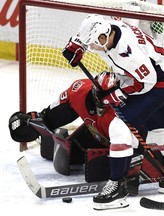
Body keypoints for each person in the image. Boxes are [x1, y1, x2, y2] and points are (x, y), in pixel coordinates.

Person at [62, 14, 164, 200]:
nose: (90, 48)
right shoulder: (108, 27)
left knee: (119, 127)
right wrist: (77, 45)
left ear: (103, 38)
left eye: (92, 44)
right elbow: (89, 32)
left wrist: (114, 95)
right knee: (160, 130)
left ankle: (118, 185)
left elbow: (145, 83)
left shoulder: (128, 54)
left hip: (157, 84)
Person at [9, 76, 141, 210]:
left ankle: (119, 182)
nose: (106, 103)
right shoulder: (78, 90)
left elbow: (134, 143)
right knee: (69, 155)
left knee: (97, 170)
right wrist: (33, 122)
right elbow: (52, 114)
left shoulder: (123, 112)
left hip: (119, 145)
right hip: (96, 133)